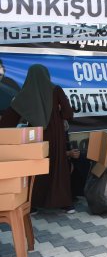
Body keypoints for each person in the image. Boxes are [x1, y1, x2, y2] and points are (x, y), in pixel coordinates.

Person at [0, 64, 75, 212]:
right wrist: (58, 112)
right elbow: (68, 114)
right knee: (58, 167)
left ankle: (33, 204)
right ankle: (65, 204)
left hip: (35, 136)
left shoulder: (25, 93)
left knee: (36, 167)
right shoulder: (56, 90)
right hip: (56, 134)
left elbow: (8, 120)